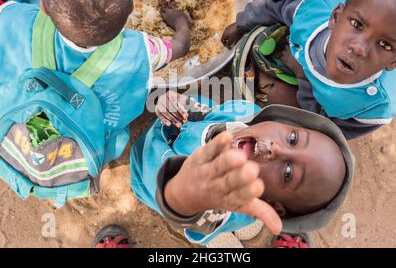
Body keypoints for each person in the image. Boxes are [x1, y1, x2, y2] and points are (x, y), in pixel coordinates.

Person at [0, 0, 191, 160]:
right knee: (115, 138)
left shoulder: (13, 19)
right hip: (86, 138)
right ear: (128, 14)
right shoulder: (141, 49)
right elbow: (180, 47)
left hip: (25, 126)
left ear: (43, 5)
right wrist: (181, 22)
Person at [130, 91, 354, 246]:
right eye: (293, 138)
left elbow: (182, 207)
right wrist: (174, 104)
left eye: (288, 173)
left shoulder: (218, 204)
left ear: (274, 204)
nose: (275, 149)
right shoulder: (245, 114)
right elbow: (205, 113)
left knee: (140, 161)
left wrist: (183, 195)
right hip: (166, 130)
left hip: (147, 172)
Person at [221, 0, 396, 140]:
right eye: (357, 24)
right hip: (300, 52)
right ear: (336, 16)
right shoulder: (314, 12)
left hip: (313, 102)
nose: (359, 49)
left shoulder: (374, 107)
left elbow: (330, 133)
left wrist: (302, 79)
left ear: (395, 61)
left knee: (277, 99)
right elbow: (277, 8)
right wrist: (242, 23)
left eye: (384, 44)